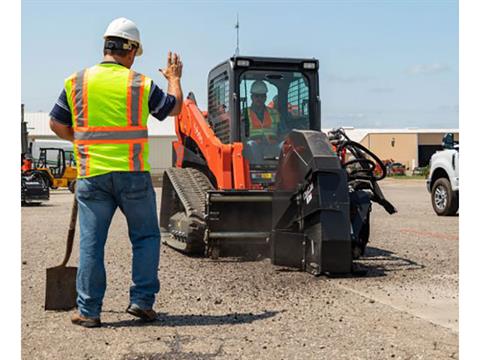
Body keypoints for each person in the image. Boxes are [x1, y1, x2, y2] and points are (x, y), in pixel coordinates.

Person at [49, 17, 183, 328]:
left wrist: (81, 141)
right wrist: (174, 77)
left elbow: (56, 122)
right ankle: (141, 302)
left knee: (92, 242)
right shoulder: (140, 83)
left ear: (105, 46)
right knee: (146, 237)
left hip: (92, 175)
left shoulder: (76, 82)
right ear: (132, 50)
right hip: (133, 174)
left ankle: (89, 311)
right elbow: (173, 108)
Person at [246, 80, 280, 145]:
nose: (259, 98)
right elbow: (242, 135)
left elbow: (281, 131)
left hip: (272, 145)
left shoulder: (274, 113)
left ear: (266, 97)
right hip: (253, 148)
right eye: (257, 96)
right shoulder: (245, 113)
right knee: (251, 144)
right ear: (251, 97)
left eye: (262, 96)